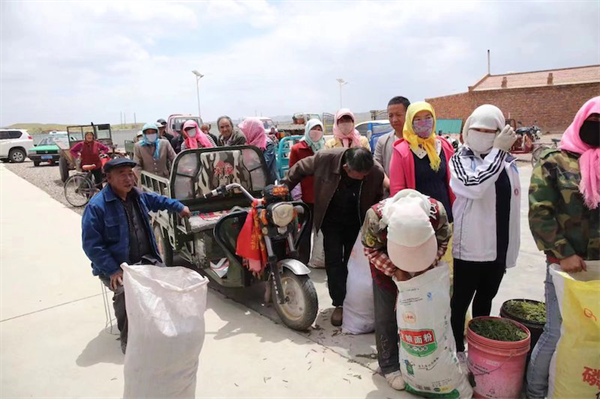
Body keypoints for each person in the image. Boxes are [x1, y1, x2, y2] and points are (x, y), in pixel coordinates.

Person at [526, 96, 600, 399]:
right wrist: (563, 252)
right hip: (565, 265)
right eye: (592, 122)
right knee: (557, 332)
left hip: (597, 266)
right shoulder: (555, 160)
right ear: (580, 120)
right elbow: (540, 211)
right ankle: (536, 391)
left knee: (590, 334)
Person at [81, 158, 191, 353]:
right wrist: (113, 270)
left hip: (146, 259)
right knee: (125, 294)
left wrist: (179, 207)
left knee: (167, 284)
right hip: (118, 267)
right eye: (122, 174)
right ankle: (129, 342)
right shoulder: (97, 207)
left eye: (130, 173)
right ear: (109, 178)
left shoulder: (137, 196)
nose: (128, 178)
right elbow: (92, 245)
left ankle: (162, 328)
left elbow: (158, 200)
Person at [448, 105, 520, 355]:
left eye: (490, 131)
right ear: (467, 129)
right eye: (476, 129)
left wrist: (500, 153)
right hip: (471, 248)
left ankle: (479, 348)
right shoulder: (460, 160)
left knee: (485, 300)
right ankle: (456, 350)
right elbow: (475, 185)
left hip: (499, 245)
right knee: (460, 302)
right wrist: (498, 150)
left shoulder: (508, 163)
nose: (482, 134)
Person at [362, 189, 451, 390]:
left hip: (426, 267)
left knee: (422, 314)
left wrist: (429, 263)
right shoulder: (375, 218)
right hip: (386, 268)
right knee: (386, 315)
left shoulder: (437, 213)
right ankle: (389, 365)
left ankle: (418, 358)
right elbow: (369, 249)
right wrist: (395, 270)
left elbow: (444, 240)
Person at [285, 147, 384, 326]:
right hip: (331, 221)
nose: (364, 177)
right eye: (360, 175)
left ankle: (354, 303)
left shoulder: (374, 171)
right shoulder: (325, 159)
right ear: (346, 168)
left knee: (353, 264)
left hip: (358, 223)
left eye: (366, 174)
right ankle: (339, 303)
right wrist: (283, 188)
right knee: (334, 262)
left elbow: (379, 196)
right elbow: (298, 169)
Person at [389, 101, 455, 224]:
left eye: (428, 118)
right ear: (409, 122)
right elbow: (398, 191)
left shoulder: (444, 145)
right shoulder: (402, 151)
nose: (423, 122)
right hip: (418, 221)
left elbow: (453, 182)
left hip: (446, 216)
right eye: (417, 119)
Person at [289, 119, 326, 264]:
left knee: (322, 231)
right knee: (304, 231)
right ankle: (302, 261)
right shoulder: (298, 149)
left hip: (322, 196)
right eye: (314, 128)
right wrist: (297, 197)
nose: (316, 131)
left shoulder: (325, 148)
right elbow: (293, 173)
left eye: (319, 128)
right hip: (305, 197)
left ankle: (319, 260)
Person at [374, 96, 411, 176]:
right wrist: (390, 185)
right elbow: (377, 168)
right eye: (391, 116)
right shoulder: (382, 142)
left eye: (398, 115)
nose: (394, 120)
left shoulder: (420, 140)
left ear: (409, 115)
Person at [238, 117, 279, 183]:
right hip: (250, 181)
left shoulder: (267, 144)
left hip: (266, 182)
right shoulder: (245, 143)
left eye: (245, 130)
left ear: (252, 130)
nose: (243, 133)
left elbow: (263, 164)